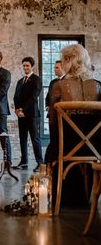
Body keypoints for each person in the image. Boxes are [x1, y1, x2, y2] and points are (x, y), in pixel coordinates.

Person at [46, 44, 101, 207]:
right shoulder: (98, 85)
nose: (61, 63)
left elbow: (53, 123)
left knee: (51, 150)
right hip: (95, 148)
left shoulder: (59, 86)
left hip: (67, 146)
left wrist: (55, 147)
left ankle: (60, 197)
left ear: (68, 60)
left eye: (62, 60)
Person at [12, 57, 43, 172]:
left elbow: (34, 97)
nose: (25, 68)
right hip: (21, 115)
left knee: (35, 138)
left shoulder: (36, 79)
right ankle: (24, 161)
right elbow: (16, 96)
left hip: (32, 114)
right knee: (22, 138)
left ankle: (40, 163)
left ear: (32, 66)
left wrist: (22, 109)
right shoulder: (20, 81)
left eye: (27, 66)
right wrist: (17, 110)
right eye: (24, 66)